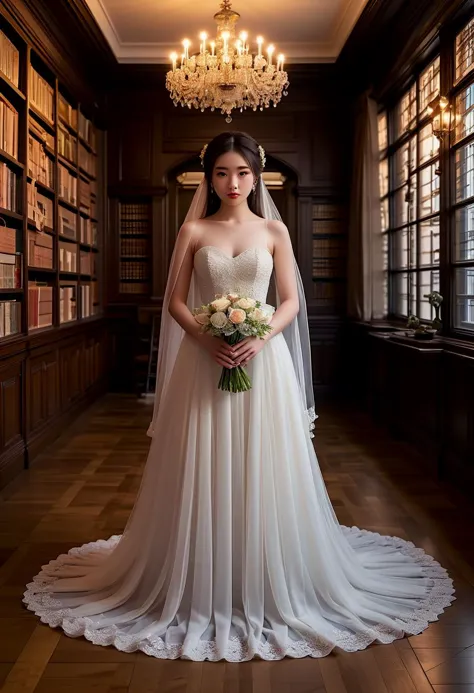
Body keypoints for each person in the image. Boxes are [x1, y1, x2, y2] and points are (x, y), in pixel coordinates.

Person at [23, 131, 454, 662]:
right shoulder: (193, 229)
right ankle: (197, 574)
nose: (233, 182)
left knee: (262, 464)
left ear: (258, 175)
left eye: (243, 173)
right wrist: (207, 338)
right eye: (223, 172)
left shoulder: (275, 229)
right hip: (202, 363)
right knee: (200, 462)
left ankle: (267, 574)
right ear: (209, 176)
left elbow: (292, 300)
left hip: (262, 360)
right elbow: (175, 301)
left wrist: (260, 334)